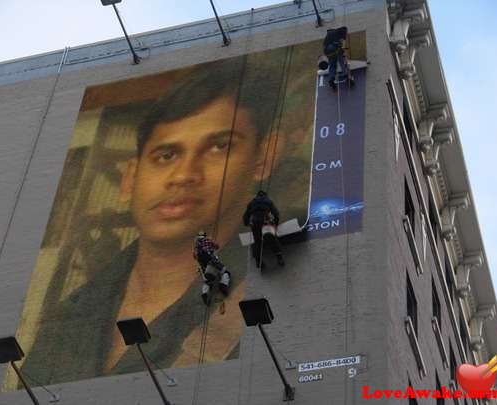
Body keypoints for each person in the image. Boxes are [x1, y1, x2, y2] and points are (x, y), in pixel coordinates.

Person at [17, 48, 306, 387]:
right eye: (165, 155)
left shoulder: (285, 286)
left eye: (219, 147)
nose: (183, 175)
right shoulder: (70, 315)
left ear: (264, 158)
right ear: (130, 178)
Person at [242, 190, 284, 268]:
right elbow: (276, 213)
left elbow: (245, 217)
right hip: (265, 222)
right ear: (265, 195)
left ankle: (259, 262)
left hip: (255, 223)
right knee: (272, 239)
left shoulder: (251, 203)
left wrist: (248, 224)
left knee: (257, 243)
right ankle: (279, 258)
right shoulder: (268, 201)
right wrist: (276, 224)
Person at [193, 231, 231, 305]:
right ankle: (223, 285)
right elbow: (217, 246)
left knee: (207, 281)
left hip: (204, 267)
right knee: (225, 272)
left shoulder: (196, 247)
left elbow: (194, 257)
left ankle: (205, 294)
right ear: (204, 235)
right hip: (213, 263)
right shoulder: (208, 240)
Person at [321, 26, 354, 90]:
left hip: (327, 51)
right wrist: (342, 51)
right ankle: (347, 77)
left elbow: (326, 47)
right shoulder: (339, 34)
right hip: (333, 48)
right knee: (341, 61)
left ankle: (331, 79)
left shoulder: (330, 35)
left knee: (332, 64)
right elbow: (340, 46)